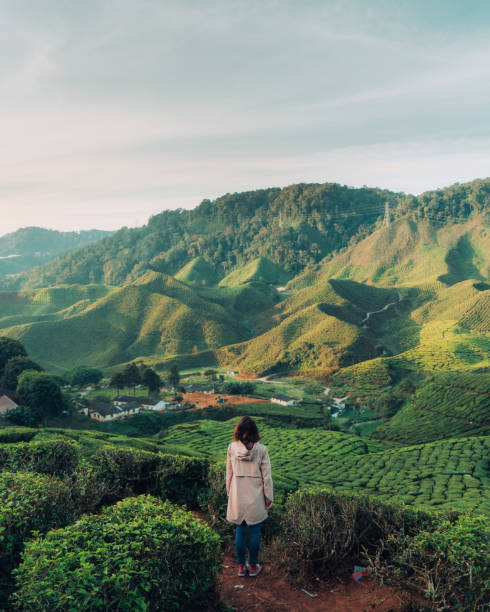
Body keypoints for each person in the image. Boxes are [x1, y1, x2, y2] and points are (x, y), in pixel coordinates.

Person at [226, 416, 273, 577]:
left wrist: (229, 493)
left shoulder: (232, 447)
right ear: (255, 432)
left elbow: (229, 473)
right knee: (254, 532)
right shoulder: (261, 450)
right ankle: (253, 566)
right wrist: (269, 497)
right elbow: (267, 477)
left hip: (237, 494)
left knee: (240, 530)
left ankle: (241, 567)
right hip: (256, 495)